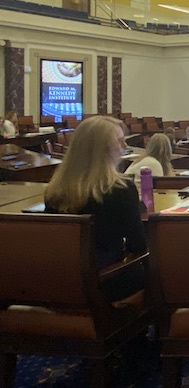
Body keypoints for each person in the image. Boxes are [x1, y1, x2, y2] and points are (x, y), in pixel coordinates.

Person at [44, 116, 147, 301]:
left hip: (62, 286)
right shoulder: (121, 190)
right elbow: (139, 246)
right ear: (103, 148)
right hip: (107, 285)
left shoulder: (53, 191)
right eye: (119, 140)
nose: (124, 147)